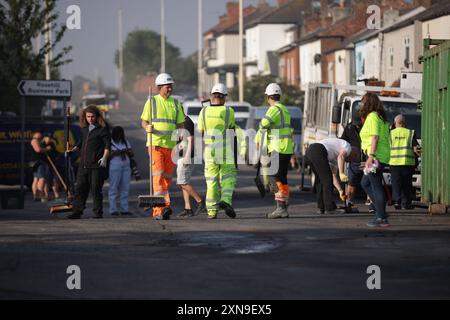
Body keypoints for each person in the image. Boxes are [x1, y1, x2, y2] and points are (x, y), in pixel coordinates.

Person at [140, 73, 185, 220]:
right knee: (158, 178)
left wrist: (181, 139)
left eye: (171, 85)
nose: (170, 88)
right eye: (167, 86)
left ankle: (163, 207)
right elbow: (144, 121)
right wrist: (147, 128)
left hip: (171, 147)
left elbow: (180, 125)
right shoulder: (151, 102)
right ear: (160, 87)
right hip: (156, 145)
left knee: (166, 179)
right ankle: (160, 210)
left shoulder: (176, 103)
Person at [198, 83, 237, 219]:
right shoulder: (228, 111)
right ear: (224, 97)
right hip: (225, 148)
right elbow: (232, 130)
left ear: (211, 96)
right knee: (228, 176)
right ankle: (225, 200)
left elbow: (200, 133)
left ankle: (212, 211)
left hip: (209, 150)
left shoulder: (203, 112)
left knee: (211, 181)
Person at [67, 105, 111, 219]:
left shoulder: (102, 129)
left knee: (96, 189)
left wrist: (105, 158)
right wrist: (72, 150)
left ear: (97, 116)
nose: (90, 119)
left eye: (92, 116)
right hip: (83, 165)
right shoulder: (84, 129)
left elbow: (107, 145)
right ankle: (77, 211)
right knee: (80, 188)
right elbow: (80, 143)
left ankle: (98, 213)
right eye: (88, 116)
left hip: (97, 165)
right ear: (84, 117)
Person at [258, 83, 294, 219]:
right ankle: (283, 204)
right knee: (282, 178)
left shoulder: (273, 109)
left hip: (277, 147)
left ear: (268, 97)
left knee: (274, 177)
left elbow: (263, 124)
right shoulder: (284, 109)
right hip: (286, 148)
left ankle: (281, 207)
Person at [359, 93, 391, 227]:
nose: (361, 105)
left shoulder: (372, 116)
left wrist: (371, 157)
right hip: (381, 155)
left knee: (376, 186)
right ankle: (380, 210)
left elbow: (375, 137)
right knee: (365, 183)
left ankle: (381, 218)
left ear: (368, 103)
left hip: (375, 156)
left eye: (362, 102)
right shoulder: (381, 117)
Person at [306, 137, 358, 214]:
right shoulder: (348, 147)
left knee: (321, 180)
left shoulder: (334, 157)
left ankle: (321, 207)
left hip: (310, 151)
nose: (350, 161)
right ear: (354, 153)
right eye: (353, 159)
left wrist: (340, 190)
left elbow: (333, 175)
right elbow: (341, 157)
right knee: (327, 180)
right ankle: (329, 208)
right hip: (318, 150)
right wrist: (341, 173)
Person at [176, 115, 207, 217]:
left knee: (182, 182)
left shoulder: (186, 121)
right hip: (182, 155)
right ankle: (188, 208)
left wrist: (187, 157)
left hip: (187, 156)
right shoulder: (179, 121)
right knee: (184, 182)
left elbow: (191, 140)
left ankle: (200, 202)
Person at [389, 114, 420, 210]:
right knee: (407, 184)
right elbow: (416, 149)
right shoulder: (410, 133)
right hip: (407, 163)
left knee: (396, 183)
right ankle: (406, 203)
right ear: (404, 123)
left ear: (395, 123)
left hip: (394, 163)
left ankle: (397, 202)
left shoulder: (390, 134)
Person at [340, 113, 364, 210]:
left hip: (366, 157)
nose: (357, 125)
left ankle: (370, 203)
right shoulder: (349, 128)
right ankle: (349, 201)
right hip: (354, 158)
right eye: (356, 123)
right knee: (351, 181)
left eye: (359, 123)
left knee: (368, 181)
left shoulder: (367, 126)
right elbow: (343, 141)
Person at [108, 126, 133, 216]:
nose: (119, 135)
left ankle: (124, 209)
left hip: (126, 166)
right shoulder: (110, 143)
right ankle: (113, 209)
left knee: (125, 188)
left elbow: (131, 153)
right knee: (113, 188)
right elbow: (107, 156)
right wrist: (115, 153)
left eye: (120, 133)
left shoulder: (125, 142)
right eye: (117, 133)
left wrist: (127, 151)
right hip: (115, 166)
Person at [30, 130, 52, 202]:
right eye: (39, 134)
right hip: (39, 162)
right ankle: (41, 196)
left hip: (38, 162)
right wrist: (46, 149)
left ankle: (36, 196)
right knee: (42, 178)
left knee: (36, 179)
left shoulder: (39, 140)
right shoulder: (34, 140)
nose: (41, 135)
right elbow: (38, 150)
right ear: (36, 134)